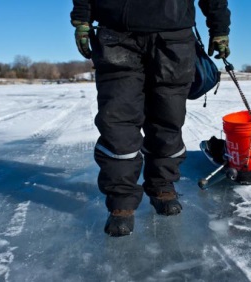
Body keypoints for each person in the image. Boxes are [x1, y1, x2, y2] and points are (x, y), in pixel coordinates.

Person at [71, 0, 231, 237]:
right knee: (117, 121)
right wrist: (82, 19)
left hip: (173, 37)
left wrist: (219, 28)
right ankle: (121, 200)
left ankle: (162, 185)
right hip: (117, 34)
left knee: (168, 118)